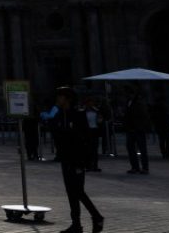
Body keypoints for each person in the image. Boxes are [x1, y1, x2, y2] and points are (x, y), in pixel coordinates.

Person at [49, 87, 104, 233]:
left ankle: (97, 216)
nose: (57, 100)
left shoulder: (78, 115)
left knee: (78, 191)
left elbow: (86, 139)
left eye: (60, 97)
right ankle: (76, 224)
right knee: (70, 192)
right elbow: (56, 133)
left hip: (77, 159)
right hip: (65, 159)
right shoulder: (60, 115)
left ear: (68, 99)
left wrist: (85, 160)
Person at [122, 91, 150, 174]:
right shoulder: (128, 102)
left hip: (138, 129)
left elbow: (144, 116)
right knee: (131, 149)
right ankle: (135, 167)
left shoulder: (139, 103)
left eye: (130, 93)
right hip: (130, 129)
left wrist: (143, 127)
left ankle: (145, 168)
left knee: (142, 149)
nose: (128, 95)